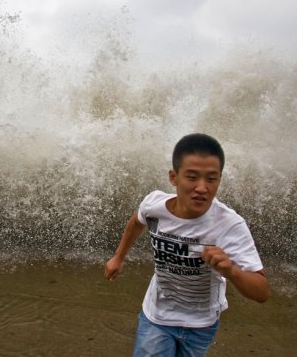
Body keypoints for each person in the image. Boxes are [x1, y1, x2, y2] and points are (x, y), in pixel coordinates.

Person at [104, 133, 269, 357]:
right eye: (192, 177)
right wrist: (119, 257)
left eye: (212, 179)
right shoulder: (154, 206)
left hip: (201, 324)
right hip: (157, 316)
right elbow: (136, 221)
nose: (202, 188)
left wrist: (231, 270)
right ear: (174, 177)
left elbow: (261, 291)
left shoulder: (229, 225)